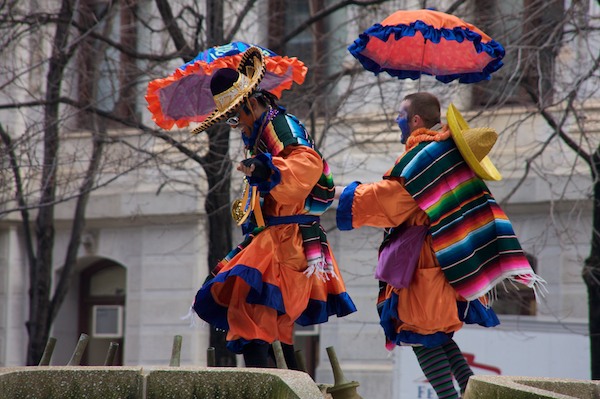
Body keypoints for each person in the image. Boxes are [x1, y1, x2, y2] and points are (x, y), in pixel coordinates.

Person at [335, 92, 544, 398]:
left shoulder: (424, 156)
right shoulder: (449, 156)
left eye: (400, 114)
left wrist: (342, 192)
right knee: (440, 337)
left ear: (415, 120)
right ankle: (475, 394)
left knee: (420, 336)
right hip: (450, 260)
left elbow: (392, 203)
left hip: (425, 265)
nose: (396, 120)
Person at [190, 47, 357, 369]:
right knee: (266, 323)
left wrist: (269, 170)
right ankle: (292, 385)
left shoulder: (280, 126)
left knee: (252, 314)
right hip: (275, 236)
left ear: (251, 103)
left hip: (286, 238)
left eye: (237, 116)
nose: (237, 125)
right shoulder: (262, 131)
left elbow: (307, 165)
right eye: (231, 120)